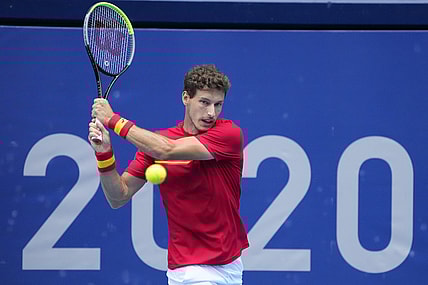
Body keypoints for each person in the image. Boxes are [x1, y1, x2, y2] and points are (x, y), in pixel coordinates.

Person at [88, 64, 249, 285]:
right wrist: (104, 153)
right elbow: (118, 196)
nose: (211, 113)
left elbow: (166, 150)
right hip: (189, 271)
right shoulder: (155, 143)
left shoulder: (229, 134)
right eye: (204, 102)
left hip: (231, 267)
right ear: (186, 98)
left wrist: (113, 120)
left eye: (218, 104)